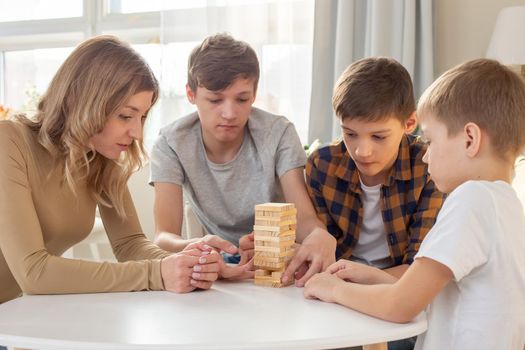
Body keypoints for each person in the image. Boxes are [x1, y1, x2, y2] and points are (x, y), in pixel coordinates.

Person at [304, 58, 525, 350]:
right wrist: (371, 276)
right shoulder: (507, 205)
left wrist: (334, 289)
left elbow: (400, 306)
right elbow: (432, 293)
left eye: (431, 141)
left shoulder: (472, 200)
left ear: (470, 139)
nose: (425, 155)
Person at [0, 35, 226, 307]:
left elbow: (129, 244)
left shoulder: (100, 158)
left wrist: (187, 264)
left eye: (142, 117)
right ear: (87, 103)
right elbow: (33, 272)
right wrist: (157, 273)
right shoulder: (9, 141)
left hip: (14, 312)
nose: (137, 132)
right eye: (125, 116)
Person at [150, 33, 336, 286]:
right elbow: (164, 236)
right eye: (215, 100)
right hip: (220, 268)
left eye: (242, 99)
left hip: (279, 266)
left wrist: (318, 235)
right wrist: (200, 248)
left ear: (255, 94)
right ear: (191, 94)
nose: (229, 113)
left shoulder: (278, 133)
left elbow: (302, 218)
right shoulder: (172, 142)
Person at [306, 57, 445, 280]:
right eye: (350, 134)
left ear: (409, 124)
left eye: (378, 137)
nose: (362, 151)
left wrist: (350, 283)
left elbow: (419, 268)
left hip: (396, 288)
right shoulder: (322, 165)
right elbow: (323, 253)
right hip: (337, 284)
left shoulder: (428, 165)